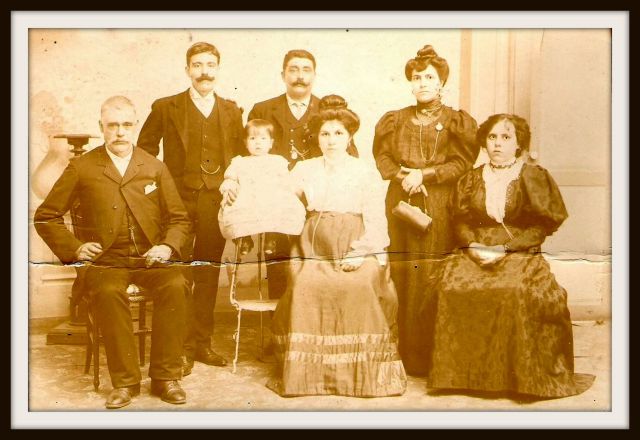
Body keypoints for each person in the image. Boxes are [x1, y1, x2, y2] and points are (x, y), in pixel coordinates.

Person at [34, 96, 191, 409]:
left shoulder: (153, 166)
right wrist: (76, 248)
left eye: (126, 125)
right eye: (112, 125)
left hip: (149, 258)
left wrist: (166, 246)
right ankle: (125, 382)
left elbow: (179, 219)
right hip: (106, 261)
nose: (120, 132)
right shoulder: (82, 167)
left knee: (176, 285)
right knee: (107, 293)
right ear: (101, 127)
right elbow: (46, 216)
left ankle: (165, 377)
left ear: (135, 126)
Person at [427, 113, 595, 399]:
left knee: (515, 290)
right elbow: (461, 221)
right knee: (451, 286)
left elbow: (539, 228)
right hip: (476, 247)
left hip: (518, 249)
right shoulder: (471, 178)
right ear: (484, 142)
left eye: (506, 137)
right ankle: (459, 377)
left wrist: (504, 249)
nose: (497, 144)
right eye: (492, 137)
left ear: (518, 144)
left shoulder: (532, 175)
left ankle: (516, 379)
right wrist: (473, 246)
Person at [267, 95, 407, 397]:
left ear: (349, 137)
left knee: (358, 285)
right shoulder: (304, 169)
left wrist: (362, 252)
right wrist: (234, 182)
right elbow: (275, 195)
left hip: (356, 241)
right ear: (317, 137)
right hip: (314, 246)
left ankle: (360, 375)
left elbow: (375, 219)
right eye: (325, 134)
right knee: (305, 285)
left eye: (338, 133)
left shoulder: (365, 171)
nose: (331, 140)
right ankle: (307, 377)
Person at [137, 42, 245, 376]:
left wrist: (233, 184)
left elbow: (240, 157)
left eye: (210, 65)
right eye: (197, 65)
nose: (204, 72)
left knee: (208, 274)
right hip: (177, 204)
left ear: (218, 69)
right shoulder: (166, 107)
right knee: (179, 276)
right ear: (187, 70)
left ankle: (201, 343)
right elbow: (144, 151)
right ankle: (179, 348)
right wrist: (157, 191)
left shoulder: (232, 111)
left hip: (215, 202)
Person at [372, 44, 479, 375]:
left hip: (439, 205)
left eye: (429, 77)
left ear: (442, 82)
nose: (422, 83)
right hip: (401, 203)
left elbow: (462, 162)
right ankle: (403, 353)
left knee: (431, 275)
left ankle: (432, 356)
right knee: (403, 274)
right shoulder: (395, 119)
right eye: (417, 78)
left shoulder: (457, 121)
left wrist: (425, 175)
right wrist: (405, 177)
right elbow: (383, 159)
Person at [247, 49, 358, 301]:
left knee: (314, 264)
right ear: (283, 75)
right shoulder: (263, 109)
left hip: (316, 201)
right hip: (275, 201)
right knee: (278, 262)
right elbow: (250, 155)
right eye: (293, 70)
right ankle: (279, 322)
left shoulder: (329, 111)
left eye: (306, 70)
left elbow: (349, 154)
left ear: (314, 75)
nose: (300, 76)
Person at [218, 119, 306, 254]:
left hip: (271, 196)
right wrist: (230, 185)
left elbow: (285, 179)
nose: (258, 143)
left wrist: (289, 190)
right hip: (248, 196)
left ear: (271, 143)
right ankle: (244, 238)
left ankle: (271, 236)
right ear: (245, 142)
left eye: (263, 138)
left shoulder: (277, 161)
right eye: (252, 138)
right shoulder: (240, 162)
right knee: (237, 208)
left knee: (280, 207)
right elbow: (231, 177)